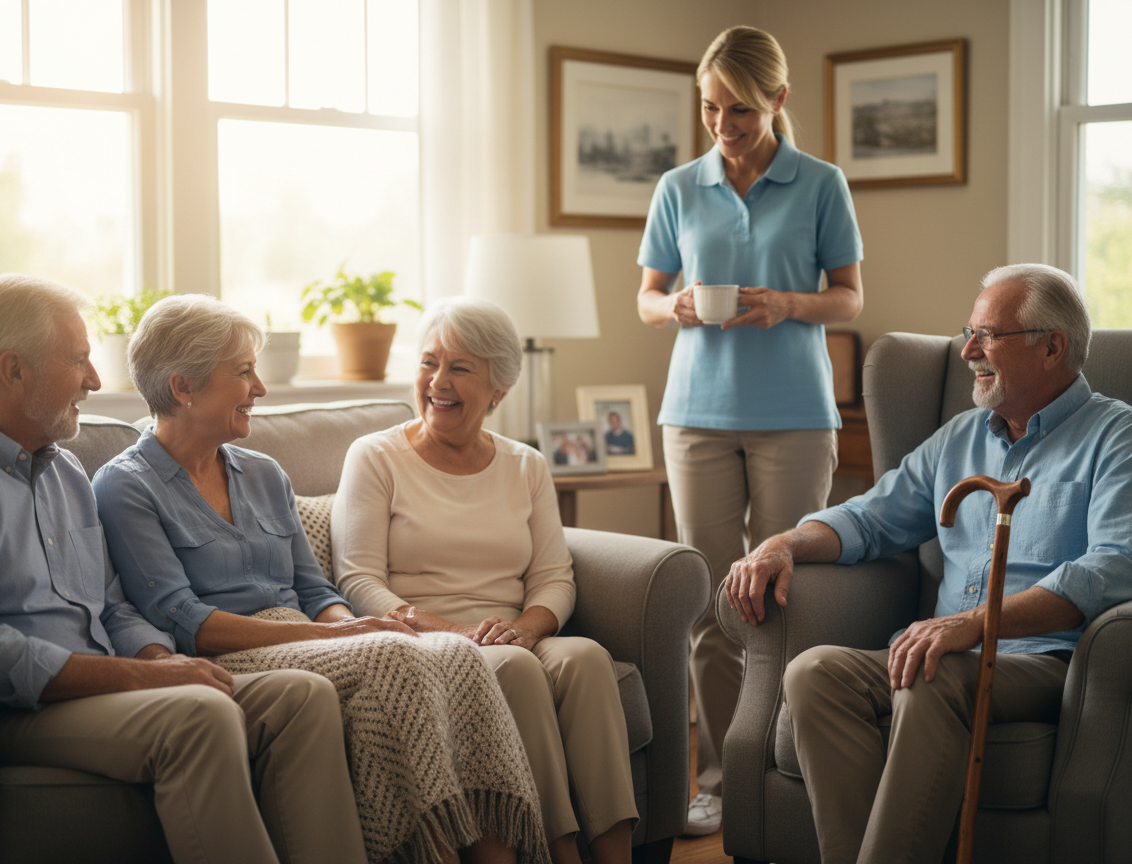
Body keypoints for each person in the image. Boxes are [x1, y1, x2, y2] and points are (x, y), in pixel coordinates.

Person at [92, 294, 547, 864]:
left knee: (447, 652)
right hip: (233, 652)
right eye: (243, 372)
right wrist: (340, 638)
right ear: (184, 387)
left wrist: (355, 625)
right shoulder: (125, 485)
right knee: (394, 656)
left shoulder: (262, 472)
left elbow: (315, 591)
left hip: (306, 638)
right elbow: (186, 620)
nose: (258, 388)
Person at [725, 264, 1132, 864]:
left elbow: (1114, 566)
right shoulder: (960, 436)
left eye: (988, 335)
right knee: (814, 673)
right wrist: (783, 543)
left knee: (930, 670)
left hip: (1047, 660)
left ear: (1053, 347)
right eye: (969, 332)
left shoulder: (1115, 436)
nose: (968, 350)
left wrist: (974, 625)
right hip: (941, 650)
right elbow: (870, 519)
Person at [0, 274, 360, 864]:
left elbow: (112, 605)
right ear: (14, 370)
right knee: (202, 715)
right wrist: (138, 679)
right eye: (80, 361)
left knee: (302, 695)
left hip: (105, 686)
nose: (93, 381)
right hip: (16, 709)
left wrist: (164, 662)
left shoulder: (64, 472)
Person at [635, 24, 864, 834]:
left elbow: (850, 297)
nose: (723, 125)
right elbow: (647, 297)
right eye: (710, 107)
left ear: (778, 100)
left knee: (783, 595)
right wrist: (678, 307)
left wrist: (787, 304)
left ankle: (786, 764)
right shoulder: (678, 187)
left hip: (796, 416)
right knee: (705, 600)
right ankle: (721, 779)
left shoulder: (820, 184)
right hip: (695, 415)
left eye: (738, 109)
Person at [335, 296, 638, 864]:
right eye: (428, 363)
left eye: (459, 368)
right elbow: (358, 580)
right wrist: (460, 631)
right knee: (516, 665)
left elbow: (555, 577)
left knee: (588, 658)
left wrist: (525, 627)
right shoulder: (375, 456)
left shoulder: (525, 464)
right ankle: (559, 851)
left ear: (498, 389)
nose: (437, 382)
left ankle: (616, 855)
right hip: (427, 640)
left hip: (511, 633)